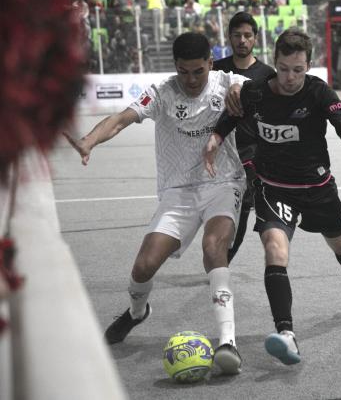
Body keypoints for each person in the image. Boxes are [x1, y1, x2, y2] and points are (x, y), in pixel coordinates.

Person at [64, 32, 248, 374]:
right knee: (144, 267)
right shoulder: (162, 93)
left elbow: (252, 85)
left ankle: (227, 342)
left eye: (198, 71)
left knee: (213, 246)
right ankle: (137, 312)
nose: (191, 80)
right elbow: (121, 119)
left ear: (211, 63)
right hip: (178, 191)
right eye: (183, 71)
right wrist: (89, 140)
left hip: (223, 182)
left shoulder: (228, 81)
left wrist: (242, 89)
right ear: (174, 67)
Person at [205, 28, 341, 366]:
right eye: (283, 68)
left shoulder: (318, 92)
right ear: (275, 63)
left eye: (298, 69)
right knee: (275, 250)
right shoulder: (255, 92)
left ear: (308, 65)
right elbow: (231, 116)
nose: (290, 77)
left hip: (317, 188)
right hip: (273, 187)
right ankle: (286, 334)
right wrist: (215, 138)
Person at [212, 12, 276, 263]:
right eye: (237, 35)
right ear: (229, 38)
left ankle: (223, 261)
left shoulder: (267, 73)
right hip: (218, 154)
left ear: (256, 39)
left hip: (251, 157)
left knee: (242, 212)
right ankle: (215, 257)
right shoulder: (216, 70)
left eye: (247, 35)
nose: (242, 40)